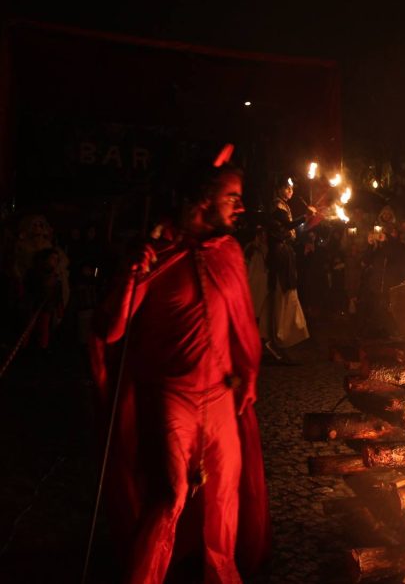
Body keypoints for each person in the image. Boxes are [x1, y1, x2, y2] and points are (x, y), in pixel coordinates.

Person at [90, 161, 270, 582]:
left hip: (221, 397)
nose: (241, 208)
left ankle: (219, 575)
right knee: (170, 496)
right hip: (173, 397)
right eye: (233, 198)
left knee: (224, 499)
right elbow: (112, 330)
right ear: (205, 200)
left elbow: (244, 323)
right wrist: (132, 275)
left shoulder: (228, 252)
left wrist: (250, 374)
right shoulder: (158, 255)